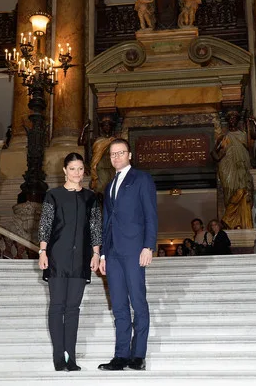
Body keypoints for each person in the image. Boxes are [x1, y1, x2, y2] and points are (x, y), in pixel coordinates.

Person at [37, 152, 102, 372]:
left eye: (80, 169)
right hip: (56, 256)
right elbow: (45, 225)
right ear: (64, 170)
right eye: (72, 168)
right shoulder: (52, 195)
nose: (77, 173)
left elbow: (95, 228)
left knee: (73, 308)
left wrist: (95, 253)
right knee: (57, 306)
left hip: (81, 258)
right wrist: (43, 251)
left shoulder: (91, 197)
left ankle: (70, 357)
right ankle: (58, 356)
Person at [98, 138, 157, 371]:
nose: (116, 157)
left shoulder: (142, 179)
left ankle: (138, 355)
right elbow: (106, 222)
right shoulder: (109, 185)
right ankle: (121, 355)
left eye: (120, 153)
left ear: (129, 155)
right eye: (112, 154)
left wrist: (148, 246)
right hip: (112, 253)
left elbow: (150, 214)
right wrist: (103, 254)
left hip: (134, 249)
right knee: (119, 305)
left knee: (138, 301)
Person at [211, 111, 254, 230]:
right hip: (227, 168)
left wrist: (253, 122)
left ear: (237, 120)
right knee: (229, 193)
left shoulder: (244, 135)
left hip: (242, 167)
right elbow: (213, 152)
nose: (232, 120)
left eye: (234, 118)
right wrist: (219, 157)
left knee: (243, 191)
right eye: (230, 118)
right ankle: (232, 221)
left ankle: (232, 219)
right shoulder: (224, 137)